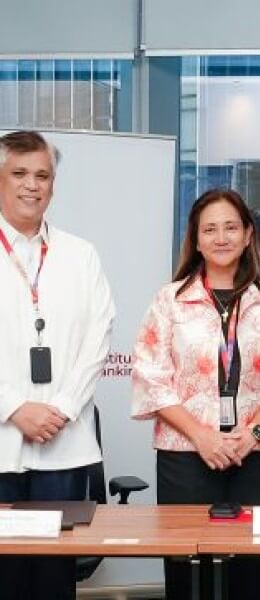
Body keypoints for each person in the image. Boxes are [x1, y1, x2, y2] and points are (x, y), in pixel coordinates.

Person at [131, 188, 260, 600]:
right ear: (195, 239)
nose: (221, 237)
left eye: (231, 227)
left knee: (254, 571)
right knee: (188, 569)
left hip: (256, 454)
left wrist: (250, 436)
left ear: (248, 235)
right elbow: (151, 376)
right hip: (185, 454)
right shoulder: (170, 302)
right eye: (209, 229)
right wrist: (202, 435)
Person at [0, 130, 115, 600]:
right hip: (2, 440)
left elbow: (100, 336)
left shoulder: (80, 254)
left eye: (42, 175)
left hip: (64, 446)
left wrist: (63, 406)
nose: (32, 185)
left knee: (53, 579)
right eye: (20, 173)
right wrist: (13, 408)